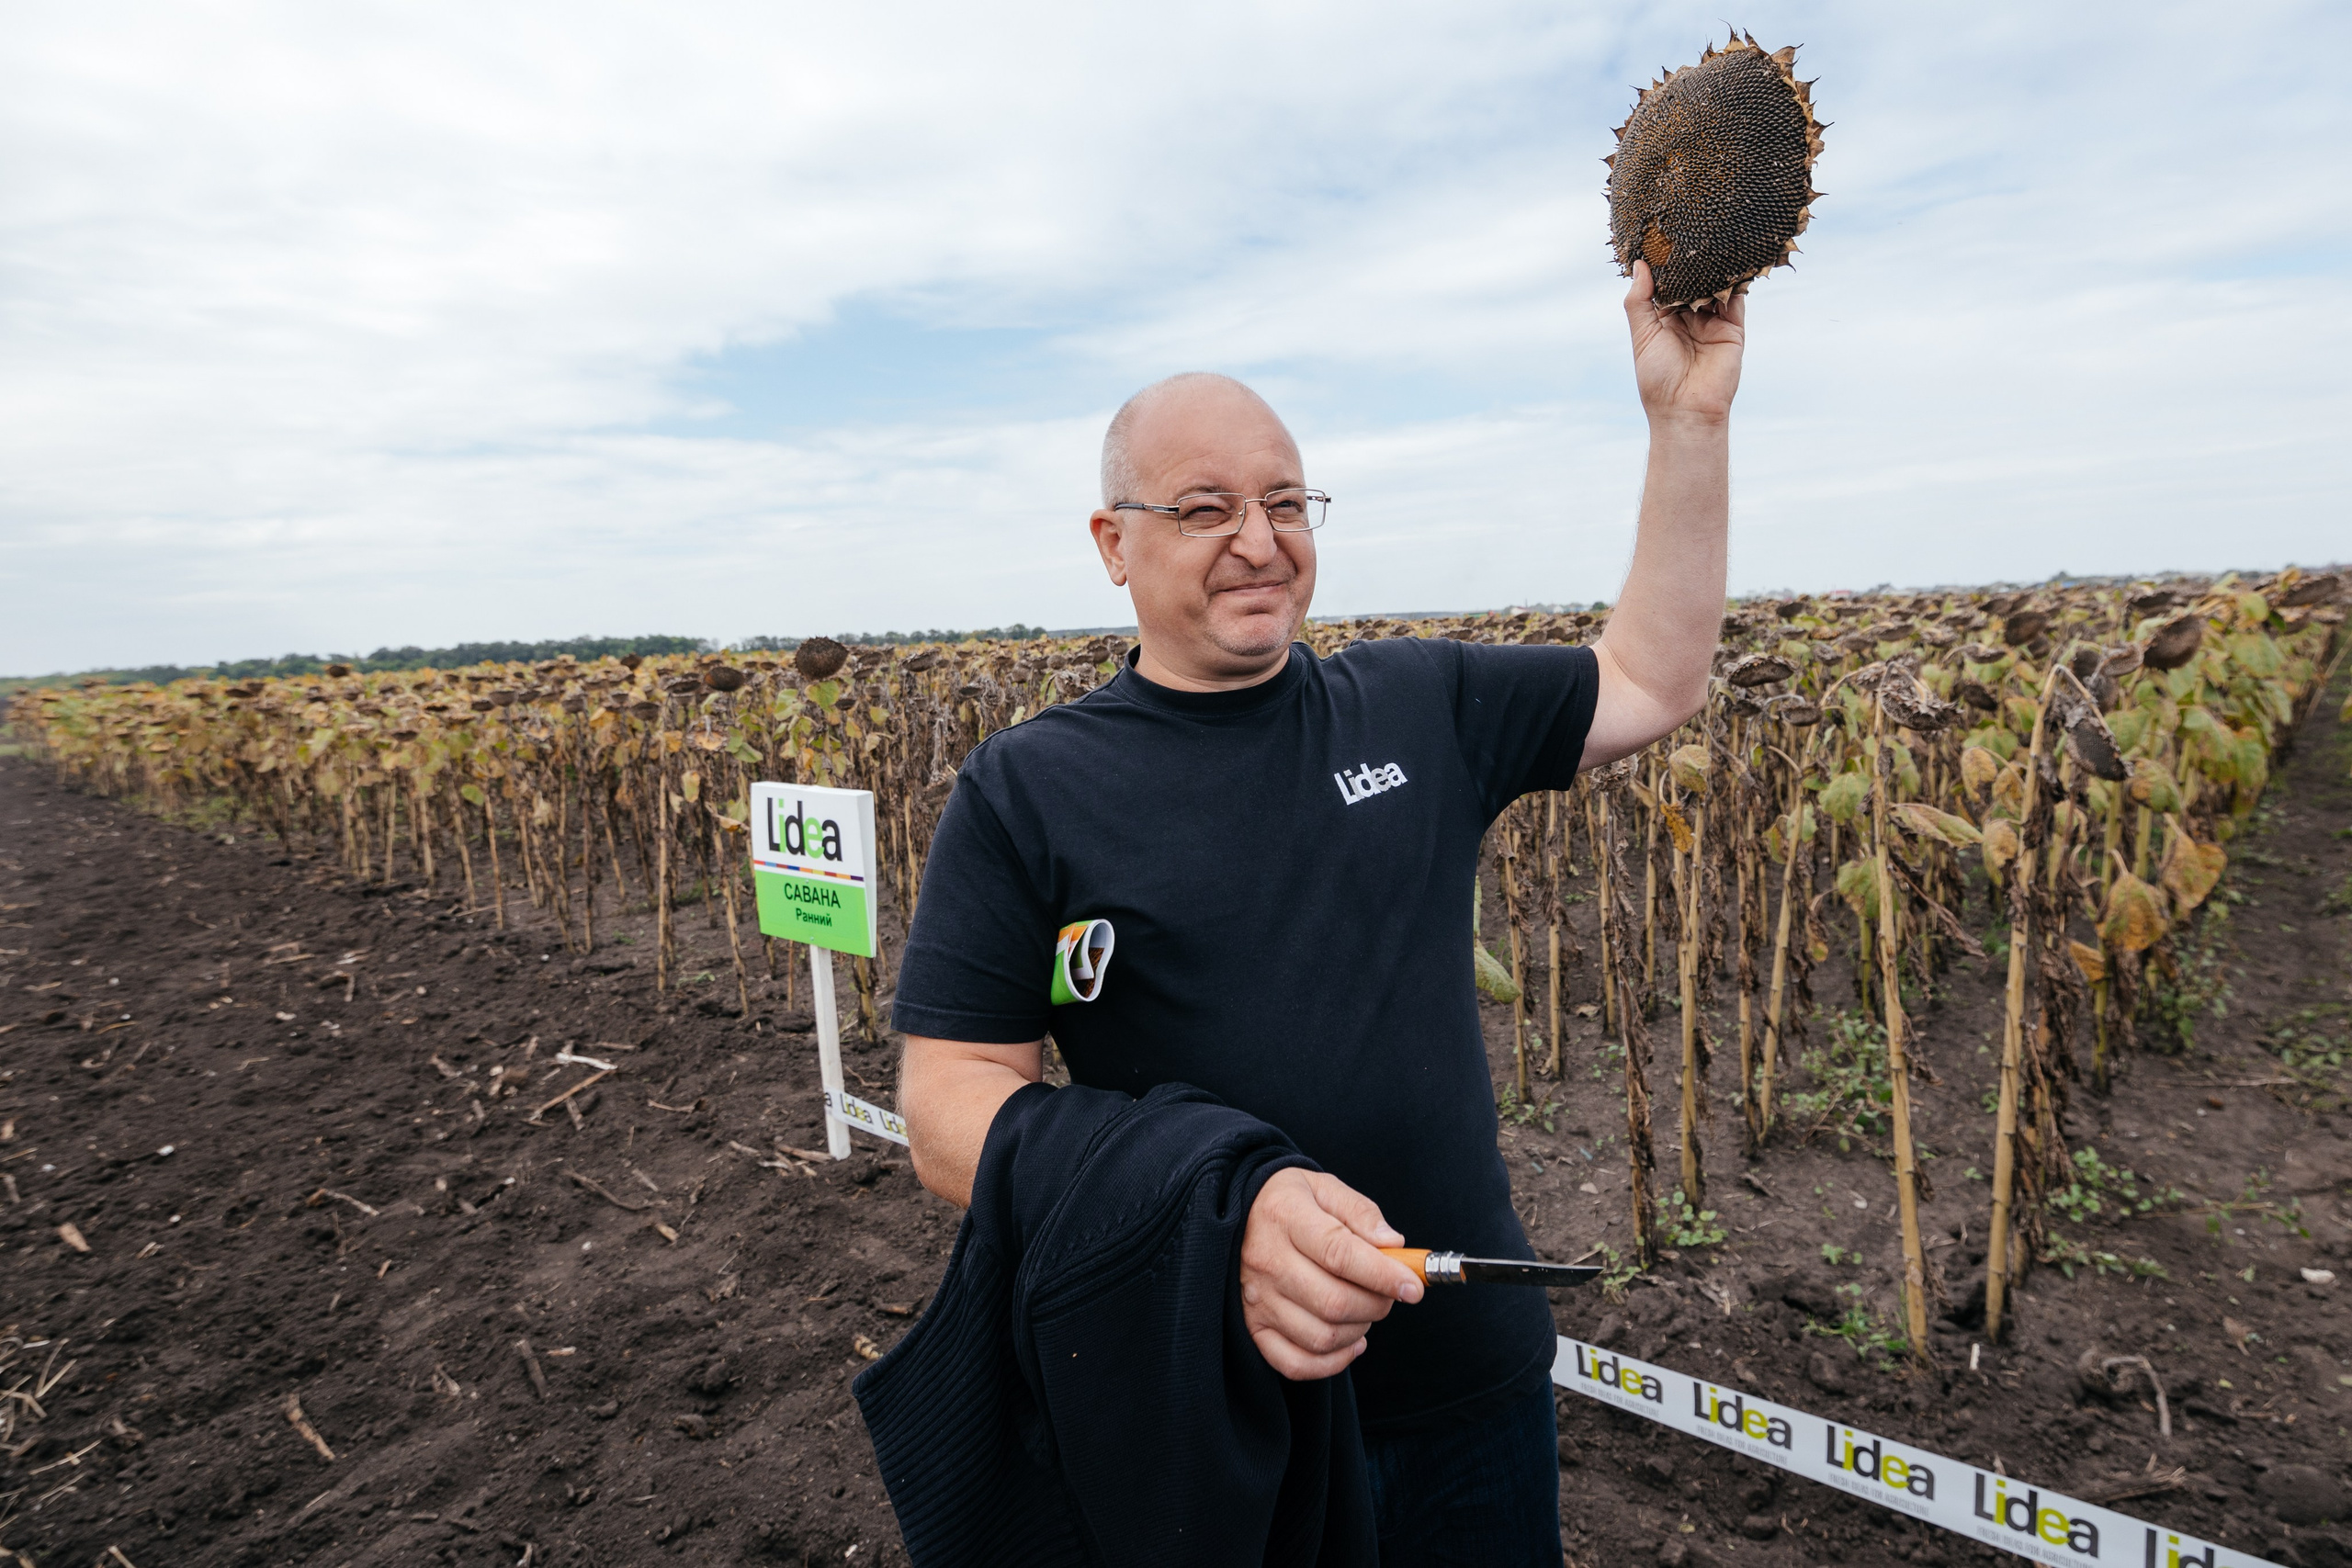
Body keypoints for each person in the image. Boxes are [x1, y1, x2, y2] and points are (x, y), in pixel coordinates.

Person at [890, 259, 1742, 1564]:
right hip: (1208, 1401)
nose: (1261, 538)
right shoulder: (1033, 787)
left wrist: (1688, 425)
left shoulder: (1415, 704)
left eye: (1287, 502)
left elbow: (1650, 674)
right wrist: (1212, 1213)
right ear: (1114, 544)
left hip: (1468, 1383)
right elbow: (949, 1106)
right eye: (1206, 507)